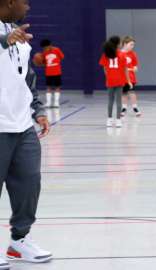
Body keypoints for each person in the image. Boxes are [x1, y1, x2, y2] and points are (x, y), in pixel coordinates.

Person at [0, 1, 53, 268]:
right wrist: (3, 39)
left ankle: (19, 242)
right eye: (24, 1)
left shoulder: (19, 33)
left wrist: (38, 109)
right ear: (9, 2)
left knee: (29, 184)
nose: (28, 6)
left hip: (22, 126)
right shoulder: (7, 35)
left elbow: (27, 78)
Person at [99, 36, 132, 128]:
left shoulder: (105, 54)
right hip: (120, 80)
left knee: (110, 100)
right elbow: (125, 70)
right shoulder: (122, 55)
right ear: (117, 44)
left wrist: (109, 76)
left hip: (110, 80)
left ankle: (109, 120)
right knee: (119, 101)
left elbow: (105, 69)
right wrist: (128, 81)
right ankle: (118, 120)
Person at [120, 36, 141, 117]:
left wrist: (134, 68)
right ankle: (124, 108)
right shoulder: (119, 54)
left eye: (133, 45)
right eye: (131, 44)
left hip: (131, 77)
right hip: (122, 78)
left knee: (131, 92)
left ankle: (135, 107)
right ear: (125, 44)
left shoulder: (133, 54)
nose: (132, 46)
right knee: (124, 93)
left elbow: (135, 66)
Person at [40, 39, 64, 108]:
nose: (45, 49)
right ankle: (48, 102)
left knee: (57, 87)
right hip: (48, 73)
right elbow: (43, 62)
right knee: (48, 87)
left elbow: (62, 57)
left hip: (57, 72)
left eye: (45, 47)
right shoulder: (44, 53)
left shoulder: (57, 50)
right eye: (44, 48)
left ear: (50, 45)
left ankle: (56, 102)